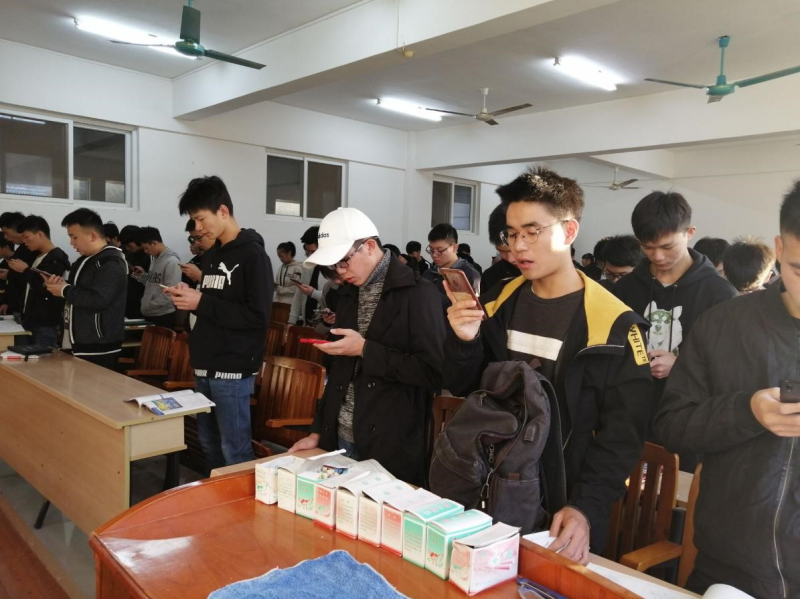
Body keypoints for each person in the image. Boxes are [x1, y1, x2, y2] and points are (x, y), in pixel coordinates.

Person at [443, 167, 653, 561]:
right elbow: (465, 388)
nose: (519, 247)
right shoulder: (497, 303)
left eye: (532, 232)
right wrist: (464, 341)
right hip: (489, 491)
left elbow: (622, 436)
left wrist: (584, 507)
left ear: (569, 232)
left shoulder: (615, 326)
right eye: (511, 234)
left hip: (563, 504)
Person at [653, 180, 800, 598]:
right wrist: (746, 411)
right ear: (779, 249)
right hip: (730, 570)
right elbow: (673, 425)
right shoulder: (724, 324)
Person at [288, 207, 445, 486]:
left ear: (369, 246)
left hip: (389, 441)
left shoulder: (419, 293)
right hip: (340, 436)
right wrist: (318, 431)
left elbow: (432, 371)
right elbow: (339, 372)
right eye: (333, 266)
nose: (339, 272)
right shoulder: (349, 293)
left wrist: (365, 350)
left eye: (343, 262)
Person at [613, 192, 736, 472]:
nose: (658, 256)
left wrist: (680, 365)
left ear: (689, 233)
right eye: (648, 247)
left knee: (675, 496)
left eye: (667, 246)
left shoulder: (719, 294)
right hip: (628, 419)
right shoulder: (626, 289)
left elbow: (730, 368)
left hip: (686, 424)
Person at [167, 175, 273, 471]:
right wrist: (190, 294)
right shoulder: (212, 255)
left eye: (201, 219)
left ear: (223, 211)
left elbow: (257, 317)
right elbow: (215, 303)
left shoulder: (253, 255)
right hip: (205, 363)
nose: (198, 228)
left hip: (233, 368)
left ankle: (240, 500)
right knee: (209, 443)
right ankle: (216, 496)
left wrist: (201, 302)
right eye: (193, 220)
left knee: (234, 450)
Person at [43, 208, 127, 370]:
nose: (71, 242)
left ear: (92, 236)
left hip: (98, 346)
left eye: (74, 237)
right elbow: (80, 290)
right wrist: (61, 284)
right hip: (78, 340)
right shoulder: (85, 260)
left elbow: (98, 299)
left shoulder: (110, 263)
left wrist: (64, 290)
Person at [16, 215, 70, 347]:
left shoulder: (56, 258)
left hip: (45, 323)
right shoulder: (39, 256)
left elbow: (46, 288)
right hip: (32, 319)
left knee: (45, 357)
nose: (24, 242)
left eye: (27, 237)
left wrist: (25, 270)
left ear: (40, 234)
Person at [133, 226, 181, 330]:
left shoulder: (172, 262)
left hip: (162, 316)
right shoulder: (155, 258)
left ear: (154, 243)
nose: (145, 251)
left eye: (146, 248)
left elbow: (171, 292)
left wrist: (150, 304)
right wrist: (143, 276)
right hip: (151, 314)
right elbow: (154, 284)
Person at [423, 223, 481, 298]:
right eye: (431, 250)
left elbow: (472, 304)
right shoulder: (428, 274)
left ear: (454, 248)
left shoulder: (469, 274)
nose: (434, 255)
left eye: (440, 250)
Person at [0, 211, 38, 317]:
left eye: (6, 233)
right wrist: (6, 302)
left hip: (30, 310)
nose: (5, 237)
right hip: (17, 307)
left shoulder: (33, 251)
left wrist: (9, 275)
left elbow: (35, 280)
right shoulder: (21, 250)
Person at [481, 203, 520, 293]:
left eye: (512, 250)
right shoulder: (491, 276)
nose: (510, 259)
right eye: (502, 251)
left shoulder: (545, 274)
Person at [297, 226, 326, 325]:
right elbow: (299, 293)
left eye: (313, 252)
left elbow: (334, 298)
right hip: (307, 319)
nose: (310, 255)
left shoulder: (333, 267)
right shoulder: (307, 265)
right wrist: (292, 320)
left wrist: (313, 293)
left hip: (324, 323)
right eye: (307, 252)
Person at [119, 225, 149, 319]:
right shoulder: (129, 255)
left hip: (143, 305)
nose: (127, 248)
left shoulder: (150, 256)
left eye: (129, 245)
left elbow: (151, 283)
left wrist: (134, 271)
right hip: (128, 303)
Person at [274, 241, 303, 323]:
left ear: (289, 253)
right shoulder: (281, 267)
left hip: (289, 306)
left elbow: (298, 288)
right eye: (279, 257)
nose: (280, 259)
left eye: (281, 256)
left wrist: (281, 290)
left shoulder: (298, 268)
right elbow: (277, 283)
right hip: (277, 304)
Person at [180, 219, 214, 288]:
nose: (197, 243)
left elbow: (225, 289)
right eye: (194, 239)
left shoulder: (224, 255)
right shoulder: (206, 257)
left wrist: (199, 276)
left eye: (198, 238)